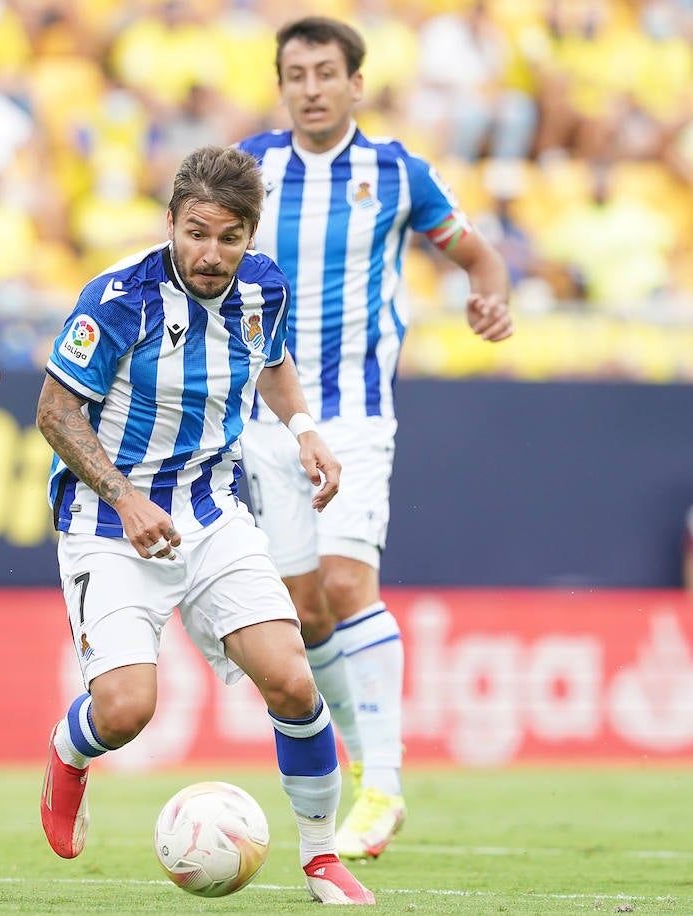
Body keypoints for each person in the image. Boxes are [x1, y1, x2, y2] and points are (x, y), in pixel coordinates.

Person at [37, 144, 374, 906]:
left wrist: (304, 429)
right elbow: (54, 413)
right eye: (196, 233)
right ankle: (68, 752)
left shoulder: (264, 288)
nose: (211, 254)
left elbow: (274, 362)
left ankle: (321, 858)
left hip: (213, 510)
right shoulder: (119, 298)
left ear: (250, 235)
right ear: (171, 225)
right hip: (108, 520)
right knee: (126, 711)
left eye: (228, 237)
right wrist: (125, 499)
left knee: (292, 679)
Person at [233, 16, 513, 860]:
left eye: (325, 72)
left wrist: (490, 296)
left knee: (350, 583)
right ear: (281, 86)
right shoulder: (250, 168)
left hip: (353, 410)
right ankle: (369, 772)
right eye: (295, 73)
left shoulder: (398, 173)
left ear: (357, 83)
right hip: (264, 419)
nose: (311, 87)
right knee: (302, 609)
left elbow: (478, 256)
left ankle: (384, 783)